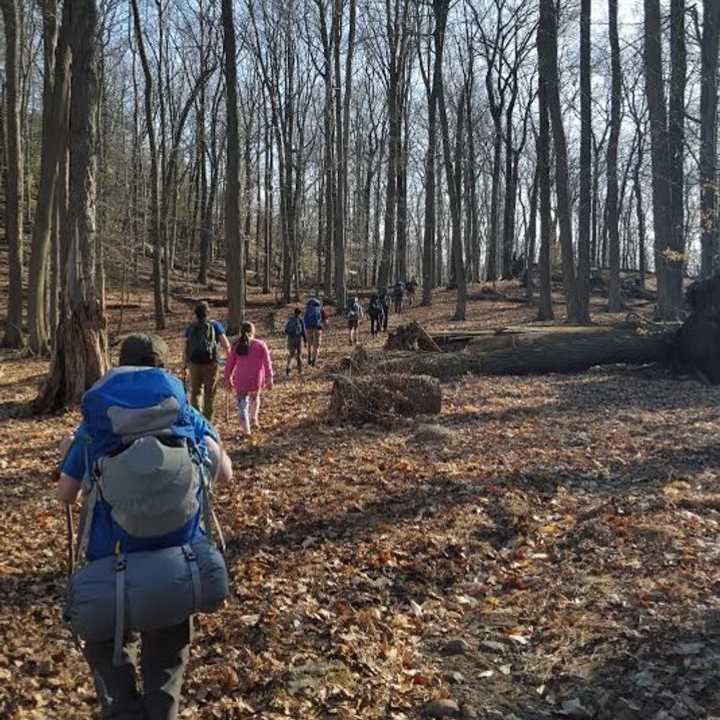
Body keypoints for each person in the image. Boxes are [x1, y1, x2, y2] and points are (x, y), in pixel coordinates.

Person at [57, 334, 233, 720]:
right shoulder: (186, 416)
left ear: (119, 365)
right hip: (177, 568)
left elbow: (66, 495)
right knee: (165, 672)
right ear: (163, 367)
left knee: (113, 666)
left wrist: (72, 454)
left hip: (109, 573)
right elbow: (226, 474)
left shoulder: (96, 424)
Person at [183, 302, 230, 422]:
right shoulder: (215, 325)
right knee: (209, 393)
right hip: (211, 363)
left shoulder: (190, 327)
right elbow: (226, 344)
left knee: (195, 392)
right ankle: (208, 422)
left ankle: (197, 420)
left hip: (194, 364)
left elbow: (186, 347)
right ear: (207, 313)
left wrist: (185, 364)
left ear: (196, 314)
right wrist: (228, 357)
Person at [224, 321, 273, 436]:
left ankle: (246, 430)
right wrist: (269, 377)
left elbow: (229, 364)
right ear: (253, 332)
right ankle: (254, 418)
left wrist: (227, 378)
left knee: (242, 405)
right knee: (255, 398)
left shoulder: (236, 346)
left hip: (241, 380)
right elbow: (267, 362)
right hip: (255, 379)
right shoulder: (260, 345)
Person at [303, 297, 327, 366]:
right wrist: (324, 326)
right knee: (316, 345)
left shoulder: (308, 309)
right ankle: (314, 359)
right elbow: (324, 320)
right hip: (317, 328)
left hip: (308, 328)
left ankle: (309, 357)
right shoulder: (320, 309)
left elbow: (304, 318)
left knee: (309, 344)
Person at [284, 307, 307, 377]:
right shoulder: (300, 320)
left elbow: (286, 330)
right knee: (299, 356)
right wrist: (305, 340)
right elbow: (303, 331)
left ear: (294, 312)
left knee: (291, 355)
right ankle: (300, 371)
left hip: (290, 339)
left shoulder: (290, 320)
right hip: (298, 339)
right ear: (299, 313)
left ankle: (288, 368)